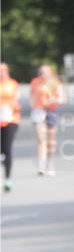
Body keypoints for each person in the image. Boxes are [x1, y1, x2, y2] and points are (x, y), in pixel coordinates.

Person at [29, 64, 64, 176]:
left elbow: (62, 98)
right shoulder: (35, 82)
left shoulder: (55, 82)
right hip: (38, 112)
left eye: (45, 72)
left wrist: (51, 100)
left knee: (50, 141)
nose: (43, 75)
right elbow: (31, 97)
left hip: (51, 111)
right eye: (41, 72)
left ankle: (50, 163)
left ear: (50, 73)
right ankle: (41, 165)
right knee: (41, 139)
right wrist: (34, 105)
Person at [1, 63, 21, 192]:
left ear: (7, 71)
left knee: (7, 149)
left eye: (3, 70)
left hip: (11, 120)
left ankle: (8, 179)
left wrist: (11, 106)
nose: (1, 73)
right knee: (2, 150)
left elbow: (16, 99)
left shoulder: (12, 84)